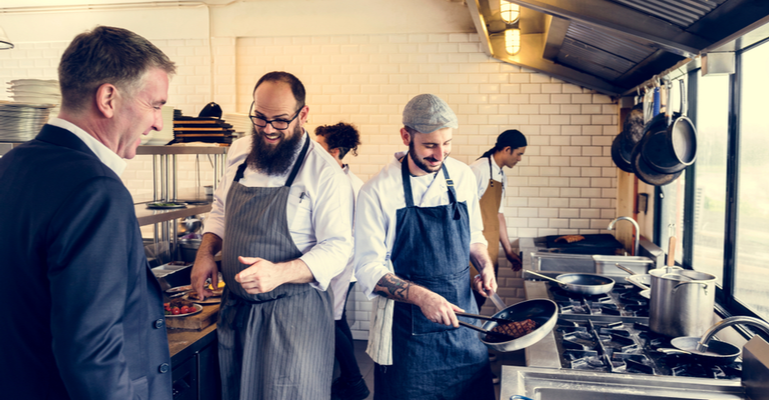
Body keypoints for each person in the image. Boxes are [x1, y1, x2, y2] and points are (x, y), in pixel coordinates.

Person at [0, 26, 175, 399]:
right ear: (108, 98)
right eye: (155, 104)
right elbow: (93, 353)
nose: (159, 122)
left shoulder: (11, 164)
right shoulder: (96, 190)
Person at [190, 71, 354, 400]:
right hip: (237, 312)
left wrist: (279, 272)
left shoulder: (323, 172)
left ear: (303, 114)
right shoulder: (238, 151)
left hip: (293, 318)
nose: (267, 129)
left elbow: (339, 248)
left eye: (280, 121)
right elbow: (220, 208)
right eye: (260, 117)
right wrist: (206, 253)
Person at [354, 94, 497, 400]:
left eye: (446, 144)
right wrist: (422, 297)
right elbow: (368, 268)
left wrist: (484, 264)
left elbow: (473, 234)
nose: (439, 154)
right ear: (406, 136)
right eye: (430, 145)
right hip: (409, 337)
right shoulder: (377, 192)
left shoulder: (461, 176)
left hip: (464, 324)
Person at [314, 123, 370, 400]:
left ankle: (354, 381)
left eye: (319, 146)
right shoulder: (338, 179)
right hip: (339, 264)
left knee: (330, 321)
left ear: (335, 151)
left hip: (339, 264)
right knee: (337, 318)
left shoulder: (346, 184)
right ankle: (345, 378)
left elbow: (344, 233)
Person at [468, 129, 526, 309]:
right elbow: (463, 213)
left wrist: (508, 250)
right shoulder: (478, 170)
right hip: (473, 248)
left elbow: (498, 215)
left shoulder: (501, 176)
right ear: (507, 149)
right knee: (470, 298)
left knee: (482, 297)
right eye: (519, 154)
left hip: (490, 247)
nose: (519, 159)